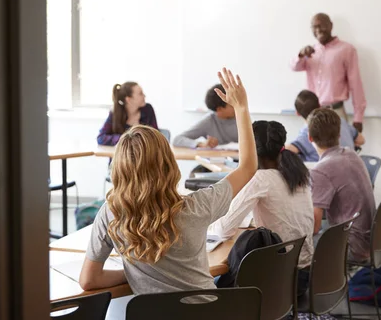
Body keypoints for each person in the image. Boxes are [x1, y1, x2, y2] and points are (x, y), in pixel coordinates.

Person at [79, 68, 258, 294]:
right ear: (168, 164)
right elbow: (248, 167)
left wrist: (134, 272)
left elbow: (88, 280)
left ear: (119, 169)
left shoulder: (110, 213)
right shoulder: (197, 206)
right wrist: (241, 108)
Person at [210, 120, 314, 295]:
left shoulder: (261, 179)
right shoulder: (298, 172)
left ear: (249, 150)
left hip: (276, 284)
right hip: (302, 278)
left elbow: (223, 230)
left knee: (209, 282)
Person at [307, 108, 375, 262]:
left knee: (294, 248)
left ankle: (309, 286)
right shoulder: (351, 154)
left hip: (351, 246)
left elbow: (314, 227)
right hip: (369, 240)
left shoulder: (321, 171)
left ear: (310, 137)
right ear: (339, 134)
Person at [290, 13, 367, 133]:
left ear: (331, 26)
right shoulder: (310, 52)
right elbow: (294, 67)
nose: (318, 30)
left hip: (335, 112)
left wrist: (358, 118)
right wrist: (301, 55)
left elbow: (356, 85)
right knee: (312, 151)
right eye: (314, 27)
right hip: (312, 113)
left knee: (340, 150)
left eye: (321, 26)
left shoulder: (346, 50)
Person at [286, 90, 365, 162]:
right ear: (319, 105)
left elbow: (286, 151)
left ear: (297, 113)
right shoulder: (338, 120)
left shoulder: (308, 131)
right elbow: (361, 140)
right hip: (350, 169)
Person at [173, 84, 238, 148]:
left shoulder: (243, 118)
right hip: (219, 157)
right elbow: (177, 139)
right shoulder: (209, 121)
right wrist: (200, 144)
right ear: (219, 109)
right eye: (231, 105)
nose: (236, 106)